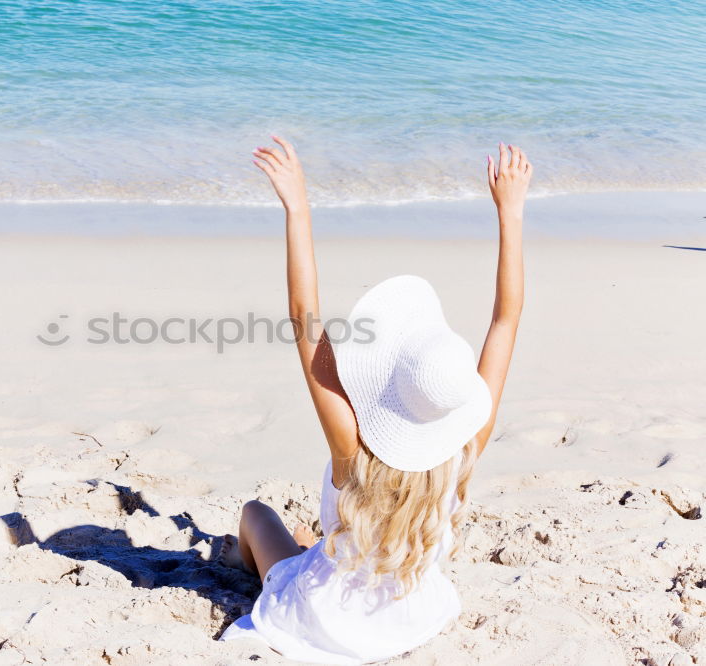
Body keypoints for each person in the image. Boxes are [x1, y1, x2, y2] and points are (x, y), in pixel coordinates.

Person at [217, 137, 530, 663]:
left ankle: (263, 558)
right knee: (314, 541)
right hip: (408, 618)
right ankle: (303, 547)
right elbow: (506, 318)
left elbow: (303, 317)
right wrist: (511, 213)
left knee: (254, 514)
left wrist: (297, 206)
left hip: (321, 619)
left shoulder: (352, 450)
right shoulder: (467, 445)